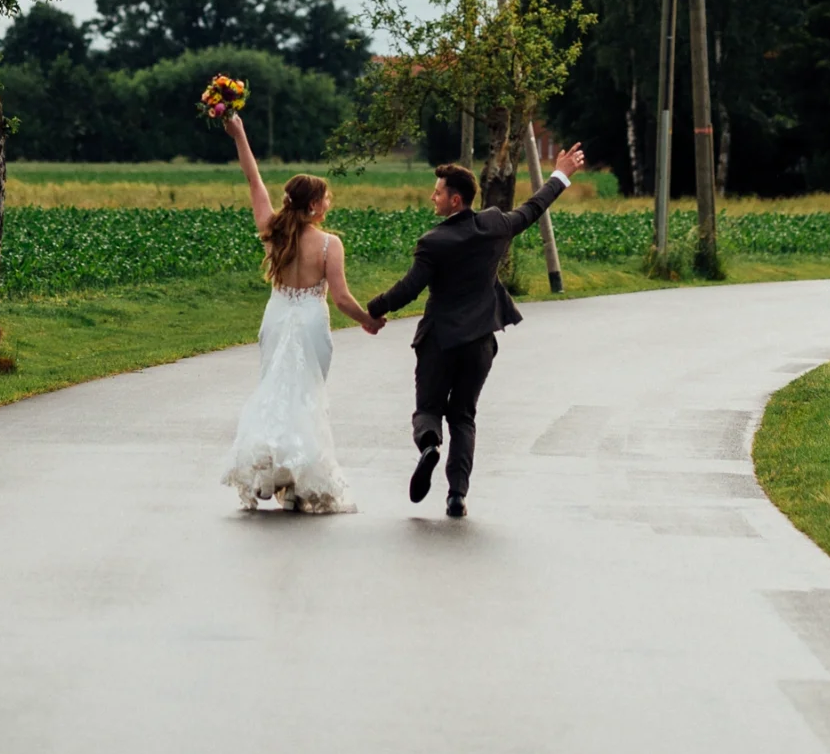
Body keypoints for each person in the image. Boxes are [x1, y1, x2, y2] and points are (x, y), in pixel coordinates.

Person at [363, 146, 588, 519]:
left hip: (439, 341)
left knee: (428, 409)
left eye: (437, 192)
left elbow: (408, 289)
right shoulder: (495, 225)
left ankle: (429, 445)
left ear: (454, 200)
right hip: (480, 342)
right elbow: (533, 208)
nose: (432, 197)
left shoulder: (433, 241)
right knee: (464, 416)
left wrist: (370, 310)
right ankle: (456, 495)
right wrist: (560, 175)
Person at [220, 110, 378, 513]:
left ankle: (272, 472)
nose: (329, 202)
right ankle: (294, 483)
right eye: (326, 197)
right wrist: (367, 320)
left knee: (274, 388)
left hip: (277, 315)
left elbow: (254, 181)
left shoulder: (273, 231)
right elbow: (340, 298)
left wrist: (239, 134)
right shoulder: (329, 244)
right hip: (310, 321)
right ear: (315, 205)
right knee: (306, 396)